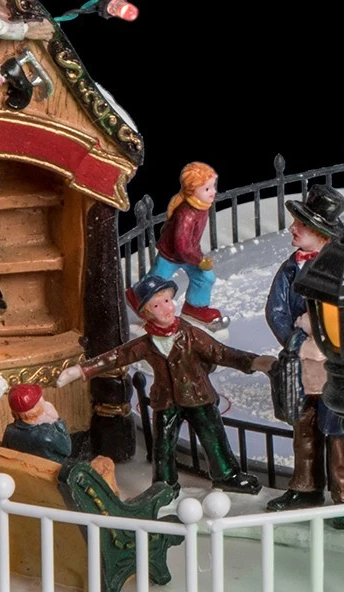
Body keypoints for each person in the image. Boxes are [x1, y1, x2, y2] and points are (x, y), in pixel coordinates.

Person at [58, 275, 274, 493]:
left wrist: (254, 362)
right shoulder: (146, 343)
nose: (165, 308)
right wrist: (81, 370)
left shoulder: (190, 334)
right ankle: (164, 483)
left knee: (213, 435)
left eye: (167, 301)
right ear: (146, 313)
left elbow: (221, 352)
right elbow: (117, 356)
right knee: (163, 444)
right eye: (156, 305)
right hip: (166, 400)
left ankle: (227, 475)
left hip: (198, 395)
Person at [264, 184, 344, 529]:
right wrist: (294, 340)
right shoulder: (291, 268)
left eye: (301, 225)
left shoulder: (343, 266)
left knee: (340, 432)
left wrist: (320, 330)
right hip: (303, 363)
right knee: (304, 427)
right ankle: (306, 487)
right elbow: (276, 310)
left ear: (321, 233)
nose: (293, 229)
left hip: (336, 365)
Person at [149, 161, 225, 329]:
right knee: (155, 284)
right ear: (192, 191)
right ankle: (146, 307)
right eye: (207, 189)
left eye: (213, 186)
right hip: (171, 255)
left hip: (188, 255)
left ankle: (195, 307)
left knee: (205, 278)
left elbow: (190, 242)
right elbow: (182, 246)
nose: (213, 192)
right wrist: (199, 260)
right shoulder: (187, 214)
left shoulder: (202, 207)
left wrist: (197, 256)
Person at [2, 384, 72, 463]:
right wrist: (57, 420)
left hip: (25, 467)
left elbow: (5, 452)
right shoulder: (47, 434)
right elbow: (67, 450)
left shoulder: (9, 430)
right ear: (37, 408)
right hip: (53, 468)